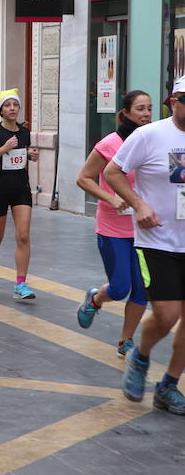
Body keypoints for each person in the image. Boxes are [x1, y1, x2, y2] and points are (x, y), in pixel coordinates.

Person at [105, 77, 185, 414]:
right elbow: (113, 172)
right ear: (173, 101)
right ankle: (140, 358)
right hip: (158, 241)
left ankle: (168, 385)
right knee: (167, 315)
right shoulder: (149, 135)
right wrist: (139, 205)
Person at [75, 90, 152, 355]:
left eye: (149, 109)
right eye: (140, 109)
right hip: (113, 229)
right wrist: (111, 198)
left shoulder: (151, 141)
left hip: (146, 230)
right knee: (120, 288)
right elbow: (84, 178)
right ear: (126, 113)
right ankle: (95, 299)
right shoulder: (110, 143)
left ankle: (126, 340)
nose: (146, 114)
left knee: (142, 291)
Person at [0, 89, 38, 300]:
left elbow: (21, 154)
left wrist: (30, 154)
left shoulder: (24, 133)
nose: (12, 108)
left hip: (21, 189)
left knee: (23, 236)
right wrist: (3, 148)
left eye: (15, 105)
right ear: (1, 110)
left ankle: (21, 284)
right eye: (7, 105)